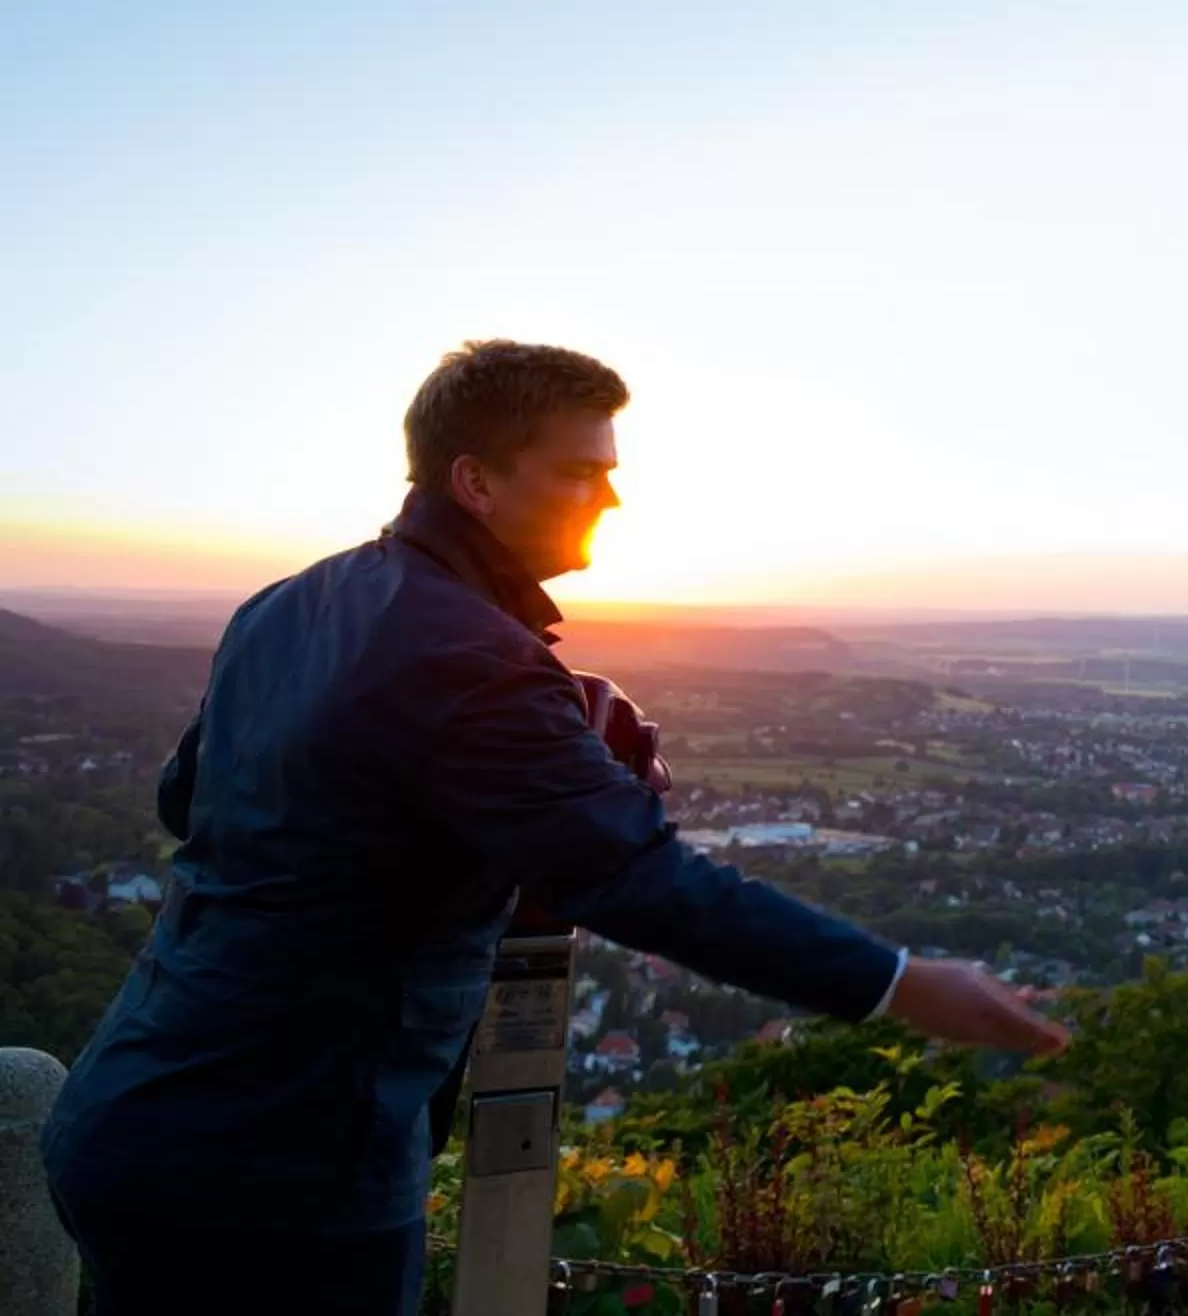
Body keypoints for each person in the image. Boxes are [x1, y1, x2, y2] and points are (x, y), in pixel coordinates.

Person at [43, 341, 1070, 1316]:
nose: (612, 495)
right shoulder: (469, 654)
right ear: (476, 480)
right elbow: (634, 875)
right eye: (581, 470)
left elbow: (189, 800)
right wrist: (898, 979)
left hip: (129, 1116)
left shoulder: (289, 602)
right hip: (279, 1171)